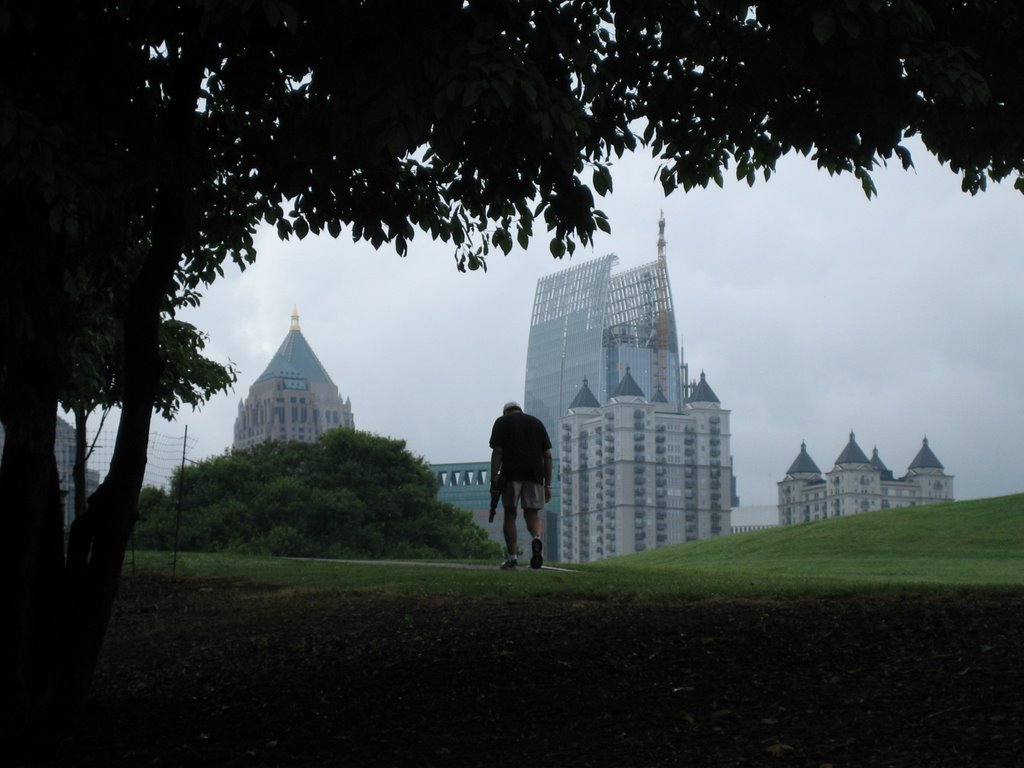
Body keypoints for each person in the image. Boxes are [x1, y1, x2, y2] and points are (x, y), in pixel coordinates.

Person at [489, 401, 553, 570]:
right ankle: (536, 538)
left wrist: (494, 477)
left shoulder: (501, 422)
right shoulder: (537, 423)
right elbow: (548, 455)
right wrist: (548, 485)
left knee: (510, 514)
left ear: (505, 413)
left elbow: (498, 452)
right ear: (520, 411)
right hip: (535, 475)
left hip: (511, 474)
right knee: (532, 515)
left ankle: (512, 558)